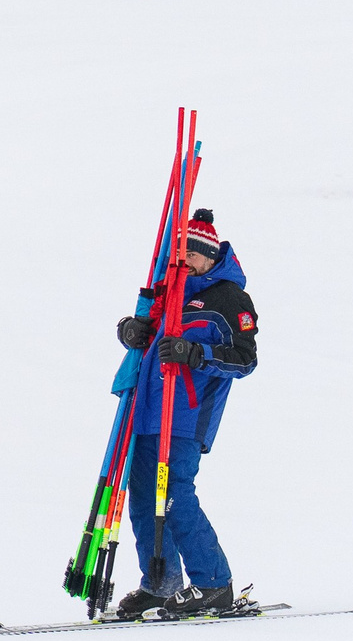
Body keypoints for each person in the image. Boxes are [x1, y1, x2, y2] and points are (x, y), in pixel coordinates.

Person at [109, 210, 258, 619]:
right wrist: (130, 330)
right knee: (142, 497)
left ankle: (213, 583)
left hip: (187, 416)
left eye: (192, 253)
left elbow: (245, 361)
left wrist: (197, 354)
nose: (185, 260)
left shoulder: (229, 298)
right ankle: (161, 583)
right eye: (181, 253)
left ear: (210, 255)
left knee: (174, 494)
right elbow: (144, 330)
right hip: (146, 413)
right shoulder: (168, 290)